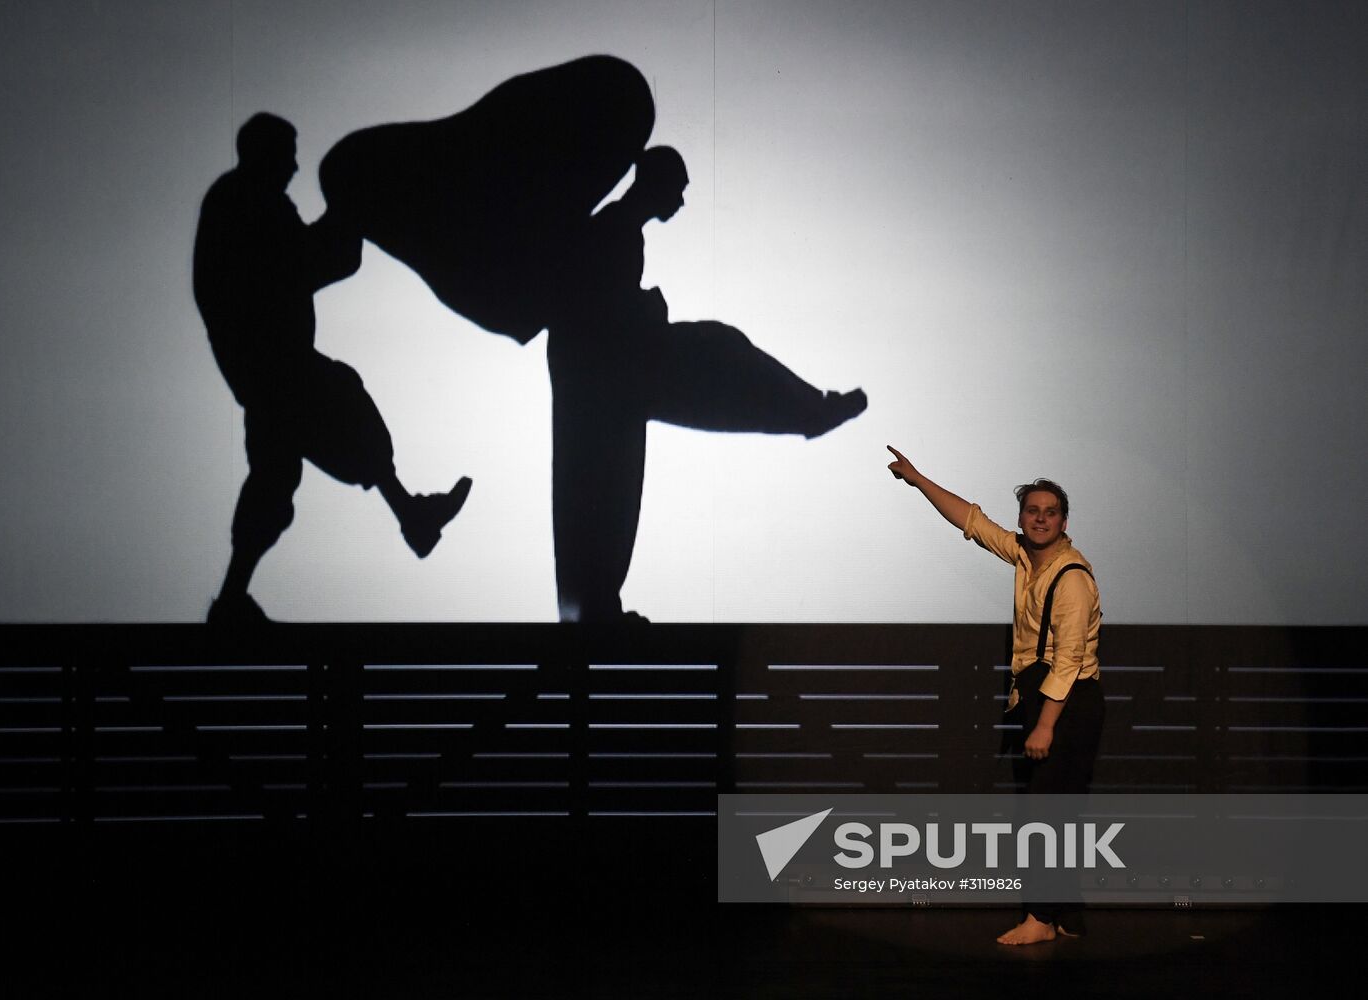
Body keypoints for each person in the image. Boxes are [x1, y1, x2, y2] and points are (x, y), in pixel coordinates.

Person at [546, 147, 866, 621]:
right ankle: (809, 410)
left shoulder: (621, 231)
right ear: (654, 183)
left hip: (613, 379)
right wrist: (649, 310)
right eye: (678, 189)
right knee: (607, 488)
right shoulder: (613, 230)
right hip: (612, 377)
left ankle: (809, 409)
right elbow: (593, 317)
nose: (680, 202)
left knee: (611, 490)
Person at [194, 112, 471, 625]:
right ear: (265, 152)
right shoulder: (246, 203)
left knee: (282, 470)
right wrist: (347, 218)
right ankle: (409, 516)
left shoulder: (248, 202)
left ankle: (408, 516)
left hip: (267, 365)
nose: (296, 165)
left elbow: (304, 261)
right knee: (317, 435)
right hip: (271, 365)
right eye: (289, 153)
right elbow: (300, 264)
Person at [885, 445, 1103, 945]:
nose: (1041, 519)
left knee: (1046, 813)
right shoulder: (1027, 556)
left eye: (1050, 512)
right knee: (1060, 811)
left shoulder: (1071, 578)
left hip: (1066, 703)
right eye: (1032, 511)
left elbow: (1068, 660)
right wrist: (919, 479)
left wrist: (1046, 724)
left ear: (1064, 520)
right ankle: (1068, 915)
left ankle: (1041, 919)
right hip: (1046, 696)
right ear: (1023, 518)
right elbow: (973, 521)